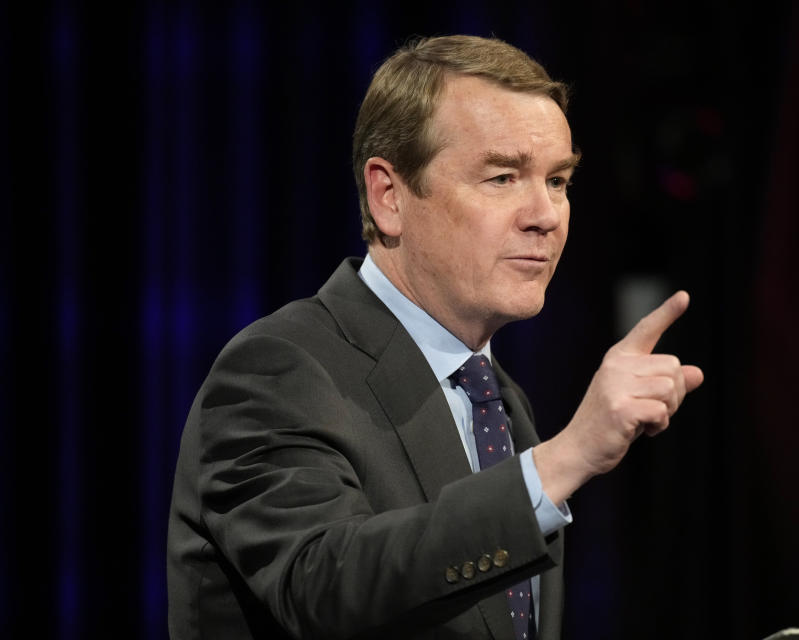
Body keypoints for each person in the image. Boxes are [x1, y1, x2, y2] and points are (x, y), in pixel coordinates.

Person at [167, 35, 703, 640]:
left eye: (558, 180)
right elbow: (322, 588)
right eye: (503, 177)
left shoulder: (500, 402)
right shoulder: (276, 370)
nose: (546, 214)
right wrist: (565, 458)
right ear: (389, 196)